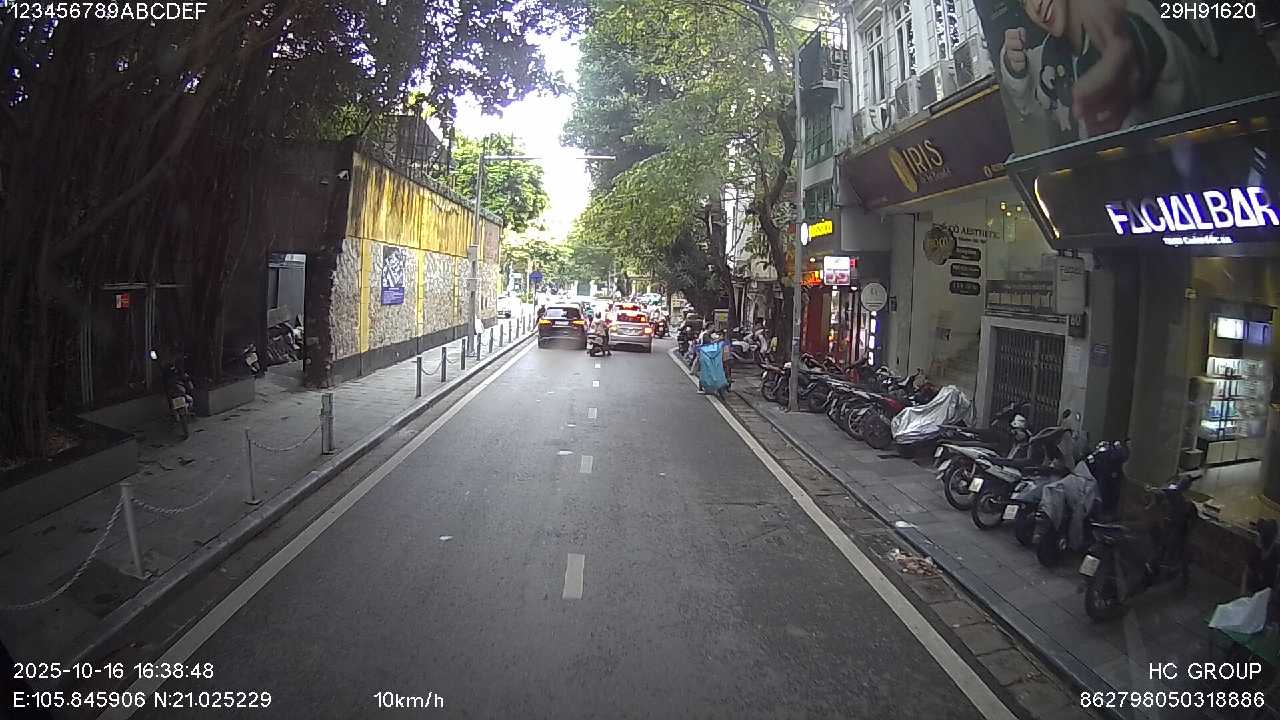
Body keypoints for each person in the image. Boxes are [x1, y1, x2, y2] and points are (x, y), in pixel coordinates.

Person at [998, 0, 1200, 140]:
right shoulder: (1049, 56)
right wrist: (1013, 67)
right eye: (1024, 1)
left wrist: (1126, 55)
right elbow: (1033, 103)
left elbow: (1142, 39)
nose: (1036, 5)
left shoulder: (1122, 11)